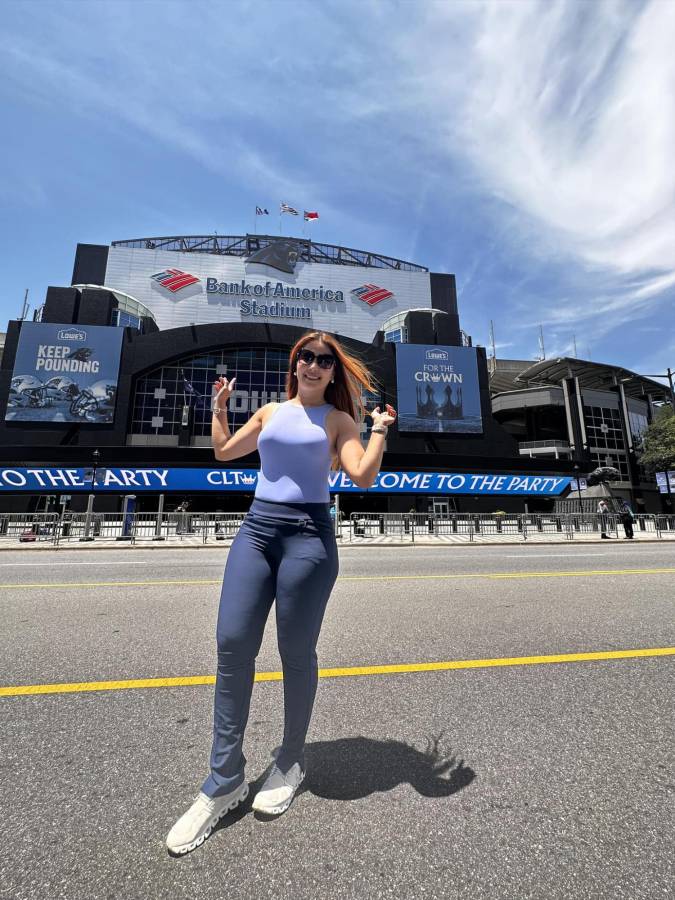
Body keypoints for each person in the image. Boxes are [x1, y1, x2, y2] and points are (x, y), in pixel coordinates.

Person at [166, 331, 397, 855]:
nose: (313, 365)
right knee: (231, 645)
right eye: (305, 358)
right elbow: (224, 453)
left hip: (308, 538)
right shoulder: (270, 412)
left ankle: (290, 760)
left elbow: (360, 475)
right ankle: (223, 778)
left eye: (324, 361)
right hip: (257, 530)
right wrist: (219, 407)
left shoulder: (339, 421)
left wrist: (378, 430)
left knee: (295, 653)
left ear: (334, 373)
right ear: (294, 366)